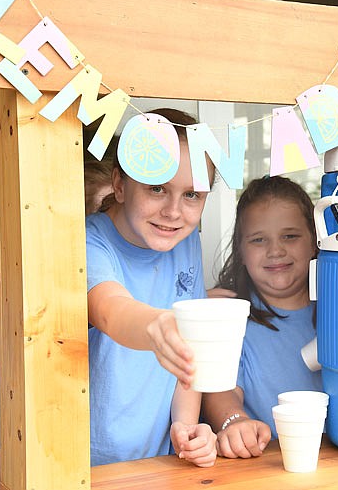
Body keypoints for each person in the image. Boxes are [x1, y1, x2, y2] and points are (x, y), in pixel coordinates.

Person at [0, 161, 113, 490]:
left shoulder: (115, 226)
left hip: (100, 360)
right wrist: (30, 358)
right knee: (12, 475)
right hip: (8, 365)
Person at [85, 108, 217, 467]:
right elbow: (111, 310)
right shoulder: (90, 242)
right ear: (120, 184)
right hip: (88, 462)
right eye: (157, 188)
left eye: (192, 195)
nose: (174, 211)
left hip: (158, 463)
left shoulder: (182, 240)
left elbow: (187, 358)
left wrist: (187, 427)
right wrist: (158, 325)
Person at [202, 175, 322, 459]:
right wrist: (234, 421)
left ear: (314, 243)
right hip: (267, 466)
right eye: (258, 240)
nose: (275, 251)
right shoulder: (232, 317)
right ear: (241, 251)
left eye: (290, 236)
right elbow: (221, 390)